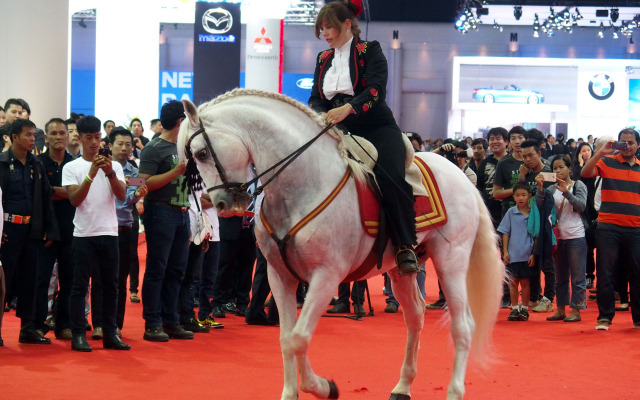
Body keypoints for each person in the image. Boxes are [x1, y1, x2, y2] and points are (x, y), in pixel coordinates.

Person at [308, 0, 418, 274]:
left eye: (329, 27)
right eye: (322, 29)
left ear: (347, 24)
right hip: (336, 127)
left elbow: (377, 90)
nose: (325, 33)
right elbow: (315, 97)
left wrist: (349, 108)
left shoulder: (370, 50)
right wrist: (323, 114)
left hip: (375, 126)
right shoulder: (323, 59)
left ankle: (405, 244)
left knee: (390, 176)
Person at [62, 115, 130, 352]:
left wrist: (110, 172)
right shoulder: (72, 167)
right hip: (83, 234)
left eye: (97, 137)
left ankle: (110, 332)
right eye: (89, 138)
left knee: (111, 286)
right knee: (79, 287)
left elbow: (122, 197)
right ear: (79, 138)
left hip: (110, 233)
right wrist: (91, 173)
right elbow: (74, 200)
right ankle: (79, 334)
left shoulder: (116, 166)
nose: (94, 142)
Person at [0, 118, 59, 344]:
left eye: (34, 134)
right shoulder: (2, 163)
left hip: (31, 231)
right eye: (28, 134)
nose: (33, 138)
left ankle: (28, 329)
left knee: (30, 281)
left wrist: (48, 230)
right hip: (7, 232)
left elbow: (46, 199)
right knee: (4, 283)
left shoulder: (36, 164)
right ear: (14, 137)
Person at [139, 100, 193, 342]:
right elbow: (141, 184)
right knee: (157, 269)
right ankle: (152, 322)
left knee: (177, 270)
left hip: (182, 213)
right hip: (160, 212)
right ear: (181, 122)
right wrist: (175, 172)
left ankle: (171, 320)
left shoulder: (185, 148)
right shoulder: (153, 148)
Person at [581, 128, 640, 331]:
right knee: (605, 274)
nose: (627, 146)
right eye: (622, 142)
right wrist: (601, 152)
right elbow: (585, 173)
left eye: (631, 142)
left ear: (637, 145)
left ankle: (638, 319)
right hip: (608, 228)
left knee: (637, 274)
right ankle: (604, 317)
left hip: (636, 229)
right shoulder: (607, 162)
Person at [35, 118, 76, 340]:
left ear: (68, 136)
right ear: (47, 137)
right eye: (54, 133)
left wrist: (52, 190)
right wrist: (67, 192)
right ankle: (38, 323)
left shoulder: (74, 163)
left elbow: (78, 194)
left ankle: (64, 324)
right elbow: (40, 192)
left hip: (71, 230)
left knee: (69, 279)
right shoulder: (37, 162)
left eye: (62, 133)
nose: (59, 136)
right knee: (41, 279)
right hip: (45, 230)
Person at [538, 156, 587, 323]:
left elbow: (581, 207)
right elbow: (539, 206)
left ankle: (577, 310)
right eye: (554, 168)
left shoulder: (578, 185)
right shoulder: (551, 189)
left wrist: (566, 191)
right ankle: (560, 309)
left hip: (576, 235)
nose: (557, 171)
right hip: (558, 237)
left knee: (578, 276)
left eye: (561, 167)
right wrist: (539, 188)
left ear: (570, 169)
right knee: (560, 277)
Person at [109, 127, 147, 331]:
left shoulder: (135, 171)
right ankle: (99, 323)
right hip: (104, 229)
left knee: (121, 277)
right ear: (110, 146)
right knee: (101, 278)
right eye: (120, 144)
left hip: (125, 227)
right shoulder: (102, 168)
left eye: (128, 145)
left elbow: (130, 198)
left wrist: (138, 195)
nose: (124, 149)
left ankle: (116, 325)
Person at [519, 139, 556, 313]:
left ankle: (548, 298)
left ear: (539, 154)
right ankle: (534, 297)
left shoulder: (549, 173)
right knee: (531, 262)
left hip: (547, 224)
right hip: (528, 224)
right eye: (524, 156)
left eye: (531, 155)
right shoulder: (525, 173)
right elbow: (518, 195)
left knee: (548, 264)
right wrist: (521, 176)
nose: (527, 159)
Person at [498, 181, 536, 321]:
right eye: (517, 195)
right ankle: (514, 309)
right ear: (513, 197)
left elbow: (536, 235)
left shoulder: (533, 213)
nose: (520, 198)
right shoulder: (510, 212)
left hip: (527, 255)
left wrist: (533, 253)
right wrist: (505, 251)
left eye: (524, 195)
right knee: (513, 283)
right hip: (513, 254)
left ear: (529, 196)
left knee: (525, 283)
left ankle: (524, 309)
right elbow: (505, 233)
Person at [572, 142, 597, 289]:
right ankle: (589, 275)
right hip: (583, 212)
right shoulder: (577, 169)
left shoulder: (597, 168)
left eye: (588, 150)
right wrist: (580, 166)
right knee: (587, 247)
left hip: (596, 210)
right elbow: (577, 183)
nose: (586, 153)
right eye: (583, 151)